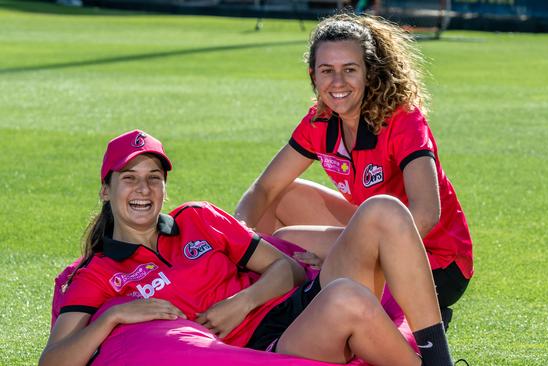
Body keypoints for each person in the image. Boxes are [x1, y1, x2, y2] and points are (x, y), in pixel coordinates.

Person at [40, 130, 455, 366]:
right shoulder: (97, 273)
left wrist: (243, 300)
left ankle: (439, 360)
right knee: (348, 298)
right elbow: (53, 361)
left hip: (294, 308)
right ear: (105, 189)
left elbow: (287, 269)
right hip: (262, 351)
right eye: (128, 178)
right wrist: (111, 316)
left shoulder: (196, 218)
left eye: (153, 177)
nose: (143, 189)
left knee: (382, 210)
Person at [234, 13, 473, 319]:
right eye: (326, 71)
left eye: (349, 70)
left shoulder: (402, 119)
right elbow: (264, 188)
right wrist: (236, 246)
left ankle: (310, 304)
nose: (338, 82)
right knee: (281, 195)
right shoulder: (319, 122)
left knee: (288, 241)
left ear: (369, 73)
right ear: (313, 75)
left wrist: (351, 255)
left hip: (437, 261)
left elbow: (426, 214)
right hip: (374, 235)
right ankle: (252, 298)